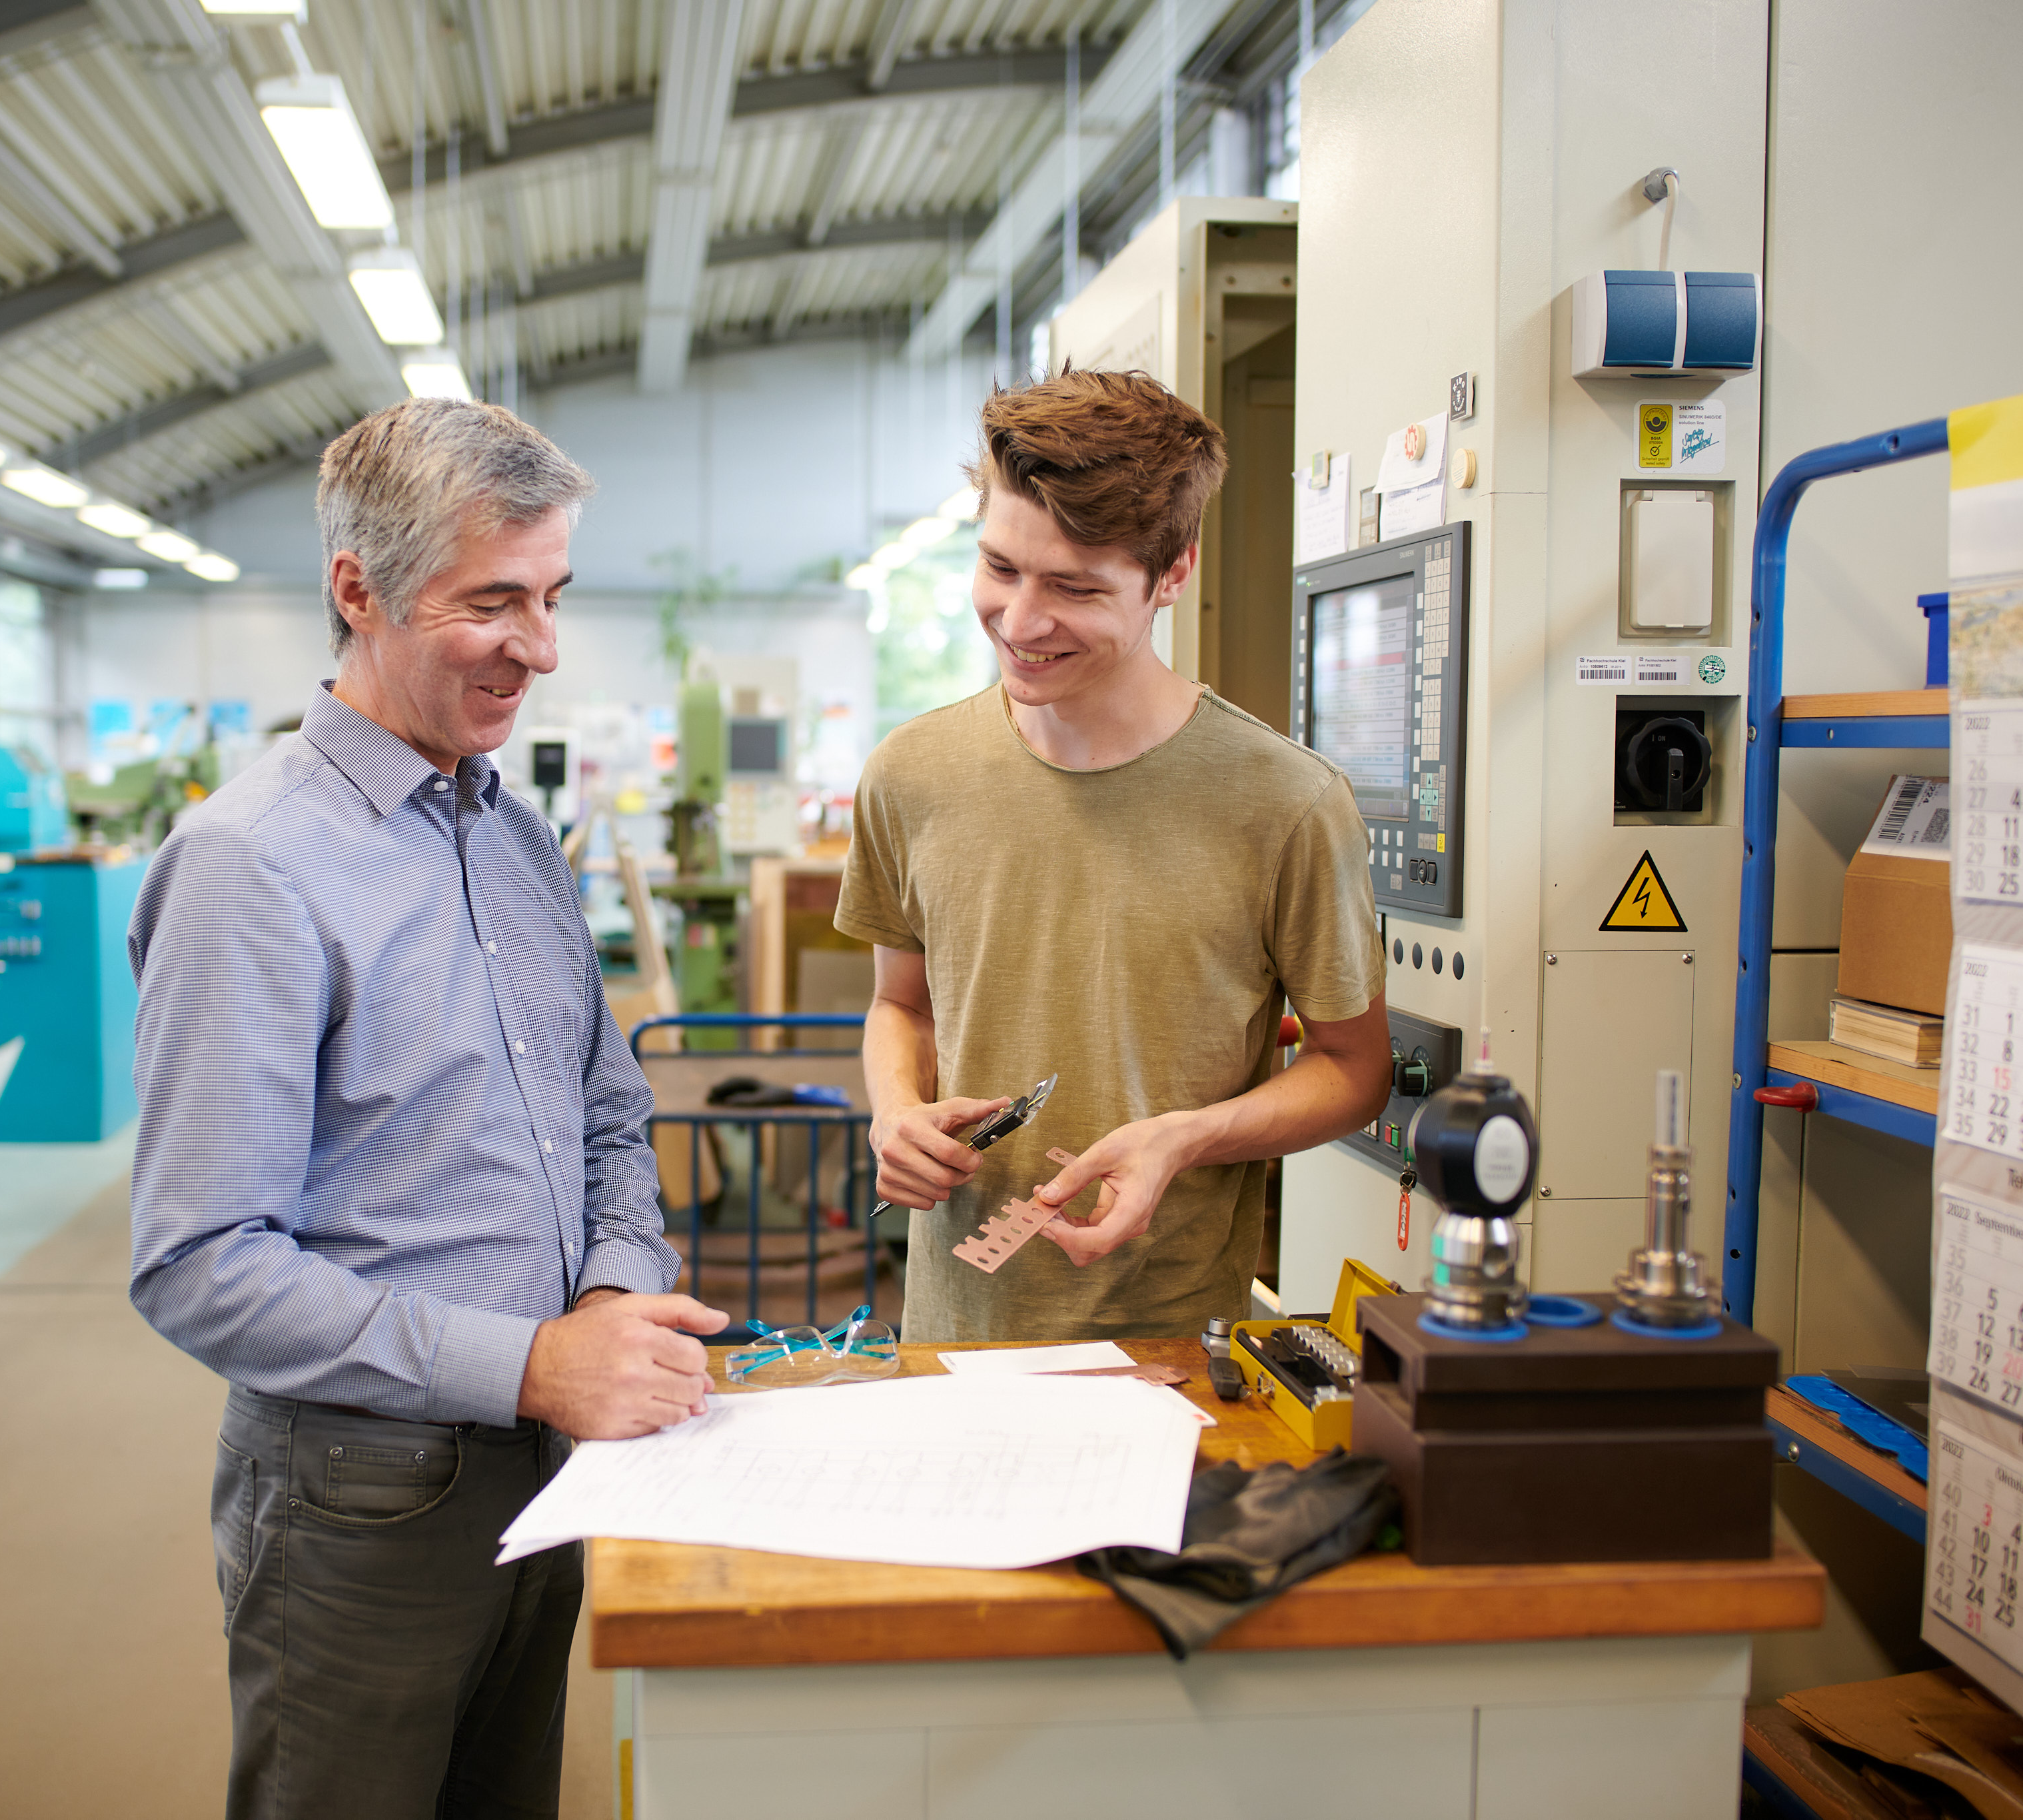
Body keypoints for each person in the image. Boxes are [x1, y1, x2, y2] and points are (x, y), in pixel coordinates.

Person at [127, 397, 725, 1820]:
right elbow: (198, 1262)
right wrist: (532, 1363)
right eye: (493, 601)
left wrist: (614, 1296)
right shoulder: (248, 866)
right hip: (359, 1500)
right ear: (358, 588)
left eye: (553, 596)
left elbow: (606, 1116)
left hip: (554, 1470)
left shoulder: (511, 836)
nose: (541, 646)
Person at [837, 367, 1390, 1344]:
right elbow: (902, 1003)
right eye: (1001, 570)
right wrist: (894, 1111)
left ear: (1171, 576)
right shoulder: (910, 775)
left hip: (1171, 1345)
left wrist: (1185, 1139)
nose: (1021, 621)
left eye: (1076, 588)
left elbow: (1354, 1070)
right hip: (949, 1337)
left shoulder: (1289, 803)